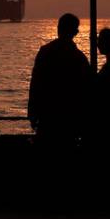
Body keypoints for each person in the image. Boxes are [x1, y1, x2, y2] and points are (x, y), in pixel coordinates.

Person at [28, 13, 91, 143]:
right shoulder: (79, 57)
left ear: (59, 28)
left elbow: (35, 84)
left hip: (48, 116)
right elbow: (86, 90)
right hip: (70, 117)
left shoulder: (45, 52)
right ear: (75, 31)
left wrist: (32, 113)